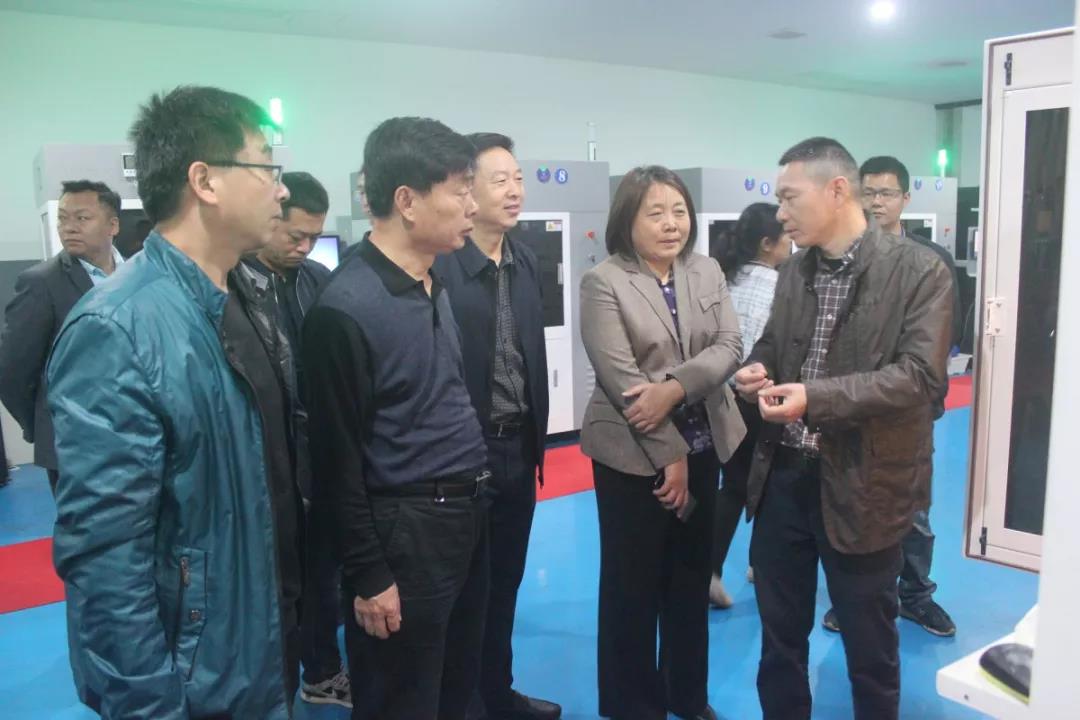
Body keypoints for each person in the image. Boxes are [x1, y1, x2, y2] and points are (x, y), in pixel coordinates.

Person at [46, 85, 301, 719]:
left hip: (260, 645)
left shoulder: (243, 297)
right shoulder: (118, 327)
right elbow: (105, 560)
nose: (282, 191)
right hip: (195, 676)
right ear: (205, 181)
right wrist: (148, 706)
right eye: (267, 167)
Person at [734, 137, 953, 720]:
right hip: (783, 478)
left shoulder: (919, 271)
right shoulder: (794, 270)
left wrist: (814, 399)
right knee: (780, 639)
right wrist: (759, 367)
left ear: (836, 190)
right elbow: (775, 344)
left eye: (789, 197)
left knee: (869, 644)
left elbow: (919, 378)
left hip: (865, 483)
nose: (780, 212)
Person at [302, 116, 490, 720]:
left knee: (456, 684)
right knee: (400, 698)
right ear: (407, 201)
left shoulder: (433, 283)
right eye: (461, 191)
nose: (474, 205)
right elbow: (335, 461)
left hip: (465, 516)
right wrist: (369, 575)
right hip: (405, 532)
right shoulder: (345, 309)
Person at [579, 165, 746, 720]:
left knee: (690, 577)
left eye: (679, 211)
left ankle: (686, 695)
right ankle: (632, 704)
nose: (671, 223)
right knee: (632, 586)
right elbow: (622, 380)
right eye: (656, 213)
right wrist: (670, 456)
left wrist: (673, 387)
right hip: (631, 457)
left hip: (705, 446)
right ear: (627, 220)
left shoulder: (706, 270)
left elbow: (729, 346)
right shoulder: (604, 282)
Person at [433, 132, 560, 720]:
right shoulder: (443, 267)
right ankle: (461, 704)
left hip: (519, 446)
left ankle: (496, 693)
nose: (515, 191)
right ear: (467, 190)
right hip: (466, 453)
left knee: (505, 582)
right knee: (464, 591)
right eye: (499, 180)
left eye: (518, 178)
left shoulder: (525, 259)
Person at [817, 155, 960, 638]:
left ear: (906, 198)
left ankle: (916, 596)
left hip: (908, 414)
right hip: (851, 410)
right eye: (869, 193)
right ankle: (855, 601)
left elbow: (945, 339)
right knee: (853, 508)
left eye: (887, 193)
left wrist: (926, 400)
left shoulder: (929, 262)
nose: (877, 202)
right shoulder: (840, 260)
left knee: (911, 513)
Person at [241, 171, 352, 706]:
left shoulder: (315, 280)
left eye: (313, 237)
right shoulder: (235, 287)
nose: (304, 247)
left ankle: (322, 669)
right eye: (294, 235)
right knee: (280, 581)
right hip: (268, 459)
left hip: (317, 449)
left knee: (323, 570)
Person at [0, 180, 123, 494]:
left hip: (135, 436)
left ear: (112, 225)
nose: (69, 227)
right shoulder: (41, 283)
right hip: (74, 445)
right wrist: (44, 425)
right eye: (63, 218)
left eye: (82, 218)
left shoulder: (137, 274)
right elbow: (13, 371)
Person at [708, 202, 790, 608]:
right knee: (756, 484)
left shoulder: (724, 278)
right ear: (767, 243)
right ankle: (717, 569)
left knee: (736, 483)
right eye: (786, 237)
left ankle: (751, 564)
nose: (791, 245)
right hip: (756, 399)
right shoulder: (779, 287)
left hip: (717, 398)